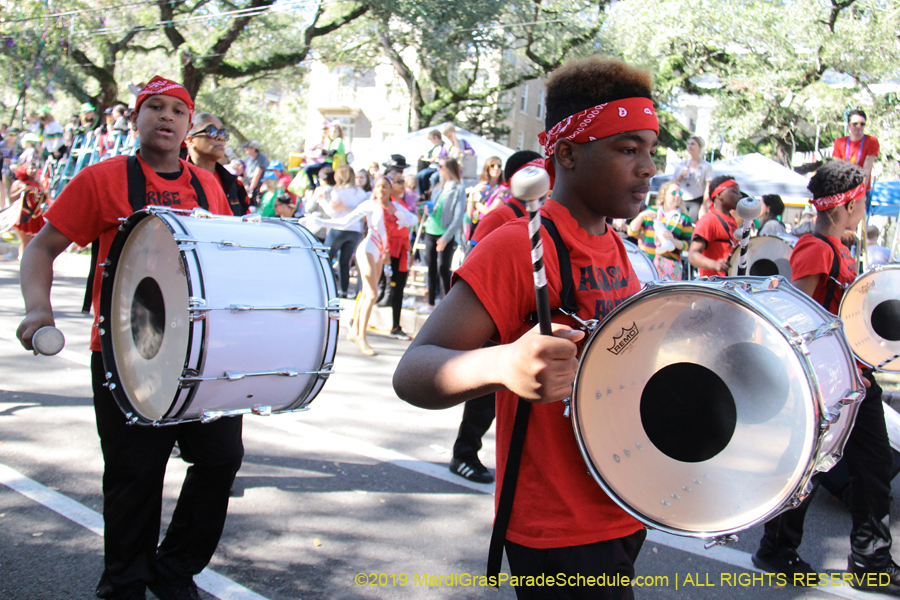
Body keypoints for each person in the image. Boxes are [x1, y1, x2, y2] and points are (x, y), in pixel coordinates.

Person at [394, 56, 658, 599]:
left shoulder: (618, 247)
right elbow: (412, 371)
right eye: (628, 149)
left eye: (651, 150)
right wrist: (503, 365)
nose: (648, 167)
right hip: (557, 523)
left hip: (622, 503)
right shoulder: (518, 246)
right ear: (566, 154)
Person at [16, 77, 243, 600]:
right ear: (136, 120)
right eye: (154, 108)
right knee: (134, 475)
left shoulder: (209, 185)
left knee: (220, 457)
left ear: (188, 126)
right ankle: (124, 583)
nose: (165, 117)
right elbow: (41, 248)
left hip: (201, 353)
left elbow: (224, 258)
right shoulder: (101, 179)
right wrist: (37, 310)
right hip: (126, 352)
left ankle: (175, 568)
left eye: (177, 111)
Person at [752, 159, 900, 595]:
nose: (866, 207)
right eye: (862, 201)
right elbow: (800, 317)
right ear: (848, 204)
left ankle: (865, 559)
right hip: (833, 381)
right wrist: (835, 372)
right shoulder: (815, 249)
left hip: (855, 376)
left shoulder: (837, 244)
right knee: (812, 467)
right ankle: (781, 549)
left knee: (866, 466)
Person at [447, 150, 544, 486]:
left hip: (527, 321)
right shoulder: (499, 216)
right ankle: (464, 454)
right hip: (497, 317)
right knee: (485, 394)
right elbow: (476, 266)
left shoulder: (546, 216)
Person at [308, 176, 417, 355]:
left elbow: (413, 219)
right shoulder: (369, 205)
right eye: (378, 186)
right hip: (367, 249)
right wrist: (322, 222)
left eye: (384, 187)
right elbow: (345, 222)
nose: (380, 190)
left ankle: (354, 331)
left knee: (366, 293)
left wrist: (405, 220)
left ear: (390, 190)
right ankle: (361, 336)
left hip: (380, 253)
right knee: (372, 293)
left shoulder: (396, 207)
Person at [419, 157, 466, 314]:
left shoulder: (458, 189)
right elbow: (434, 207)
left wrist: (445, 238)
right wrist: (427, 210)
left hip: (444, 232)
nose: (438, 169)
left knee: (443, 268)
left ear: (449, 168)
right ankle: (431, 303)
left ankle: (447, 306)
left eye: (441, 166)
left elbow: (458, 217)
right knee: (431, 267)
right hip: (431, 229)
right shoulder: (438, 186)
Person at [185, 112, 249, 217]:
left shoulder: (235, 186)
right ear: (190, 140)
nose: (220, 138)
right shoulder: (177, 179)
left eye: (223, 133)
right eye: (211, 131)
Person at [627, 180, 693, 281]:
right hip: (648, 262)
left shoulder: (684, 218)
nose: (677, 196)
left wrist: (673, 240)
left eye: (680, 193)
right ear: (664, 194)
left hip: (669, 267)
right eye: (674, 193)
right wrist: (640, 216)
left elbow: (687, 245)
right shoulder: (652, 211)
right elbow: (632, 232)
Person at [323, 165, 367, 298]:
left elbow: (332, 213)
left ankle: (326, 287)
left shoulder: (338, 192)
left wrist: (321, 201)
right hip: (355, 231)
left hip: (339, 228)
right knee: (345, 262)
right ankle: (344, 290)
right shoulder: (360, 192)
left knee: (325, 258)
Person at [688, 174, 741, 277]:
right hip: (714, 287)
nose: (739, 196)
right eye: (734, 192)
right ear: (719, 194)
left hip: (729, 284)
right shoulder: (708, 220)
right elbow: (692, 255)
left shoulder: (732, 220)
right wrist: (716, 265)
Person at [386, 174, 419, 340]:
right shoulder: (388, 202)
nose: (403, 185)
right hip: (388, 250)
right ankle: (355, 320)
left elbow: (410, 225)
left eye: (403, 182)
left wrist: (411, 251)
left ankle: (395, 326)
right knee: (373, 289)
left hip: (402, 249)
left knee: (399, 287)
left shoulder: (402, 202)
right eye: (399, 182)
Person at [832, 110, 879, 195]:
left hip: (862, 190)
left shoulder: (871, 141)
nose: (859, 126)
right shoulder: (839, 142)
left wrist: (859, 194)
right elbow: (838, 169)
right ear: (849, 126)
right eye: (855, 124)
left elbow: (866, 171)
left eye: (862, 124)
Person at [9, 161, 46, 259]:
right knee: (26, 241)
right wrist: (21, 190)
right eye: (30, 168)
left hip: (36, 216)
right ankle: (23, 259)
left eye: (35, 169)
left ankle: (28, 259)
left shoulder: (38, 184)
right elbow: (11, 199)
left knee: (34, 241)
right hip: (23, 216)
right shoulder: (19, 183)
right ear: (24, 170)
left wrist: (45, 196)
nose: (33, 171)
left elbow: (42, 200)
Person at [673, 135, 713, 222]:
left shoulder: (706, 166)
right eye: (688, 144)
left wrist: (704, 205)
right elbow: (672, 184)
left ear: (700, 146)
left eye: (692, 144)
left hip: (696, 200)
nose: (689, 146)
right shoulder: (681, 165)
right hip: (681, 199)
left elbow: (708, 187)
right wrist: (680, 176)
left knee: (690, 224)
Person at [465, 156, 503, 244]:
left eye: (499, 166)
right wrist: (471, 194)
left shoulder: (503, 189)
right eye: (492, 165)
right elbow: (470, 214)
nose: (496, 168)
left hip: (489, 228)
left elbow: (490, 212)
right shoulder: (481, 185)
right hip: (475, 226)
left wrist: (475, 202)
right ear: (487, 167)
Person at [303, 123, 344, 188]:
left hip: (334, 164)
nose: (332, 133)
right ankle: (313, 187)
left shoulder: (338, 140)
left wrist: (321, 151)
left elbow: (331, 153)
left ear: (339, 133)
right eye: (330, 131)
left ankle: (321, 188)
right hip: (326, 162)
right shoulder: (330, 141)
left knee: (323, 175)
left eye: (334, 131)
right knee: (308, 169)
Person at [417, 129, 446, 198]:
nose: (431, 142)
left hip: (438, 167)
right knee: (420, 175)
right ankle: (422, 194)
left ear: (436, 137)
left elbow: (445, 157)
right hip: (431, 166)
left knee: (433, 177)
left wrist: (436, 160)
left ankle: (433, 195)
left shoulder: (444, 146)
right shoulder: (434, 147)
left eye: (432, 140)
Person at [241, 140, 268, 205]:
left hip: (259, 188)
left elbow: (257, 174)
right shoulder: (247, 158)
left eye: (247, 147)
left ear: (253, 149)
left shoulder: (261, 158)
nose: (245, 149)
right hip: (249, 185)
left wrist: (251, 188)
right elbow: (244, 172)